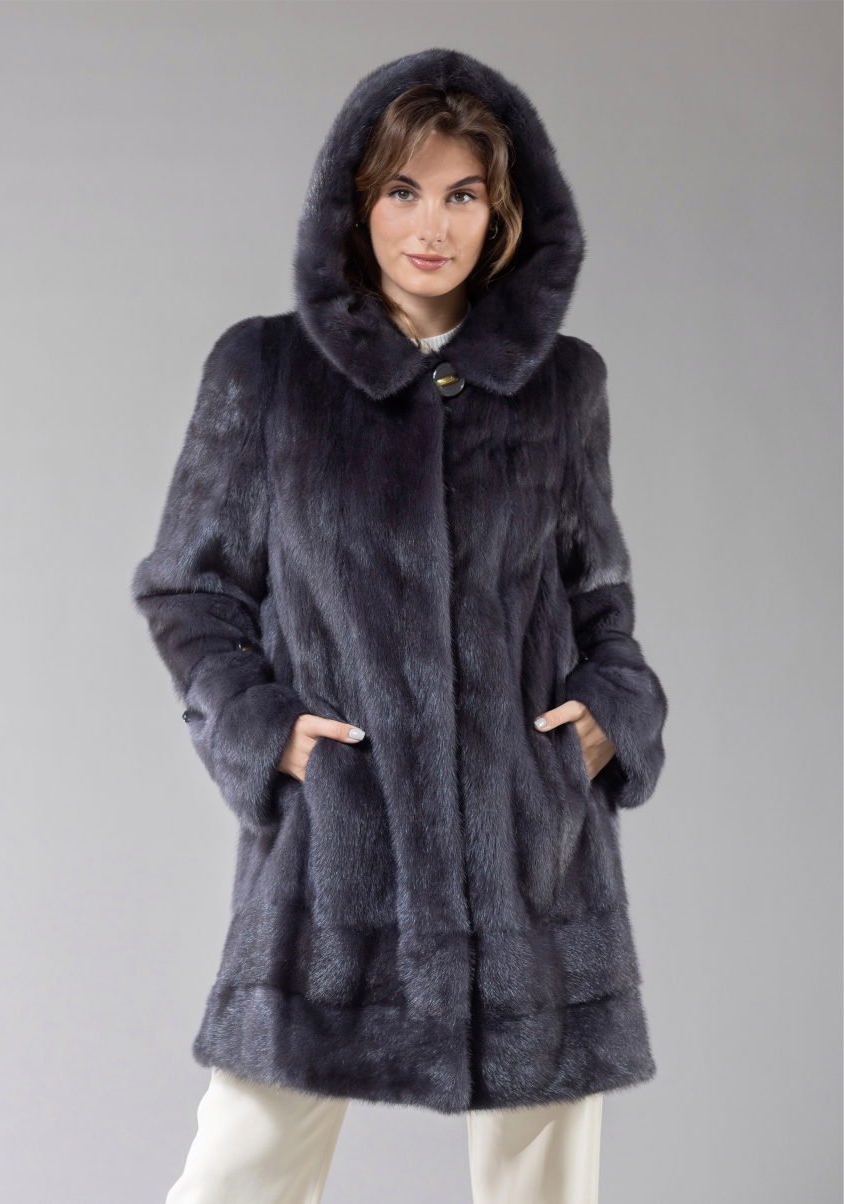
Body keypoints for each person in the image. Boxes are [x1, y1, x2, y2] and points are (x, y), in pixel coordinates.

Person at [132, 49, 668, 1204]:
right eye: (403, 190)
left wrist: (609, 719)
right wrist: (265, 729)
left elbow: (598, 600)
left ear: (503, 211)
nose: (433, 225)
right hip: (340, 840)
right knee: (240, 1168)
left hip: (529, 851)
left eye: (463, 194)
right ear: (357, 200)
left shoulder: (563, 385)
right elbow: (189, 590)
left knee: (543, 1187)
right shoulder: (268, 370)